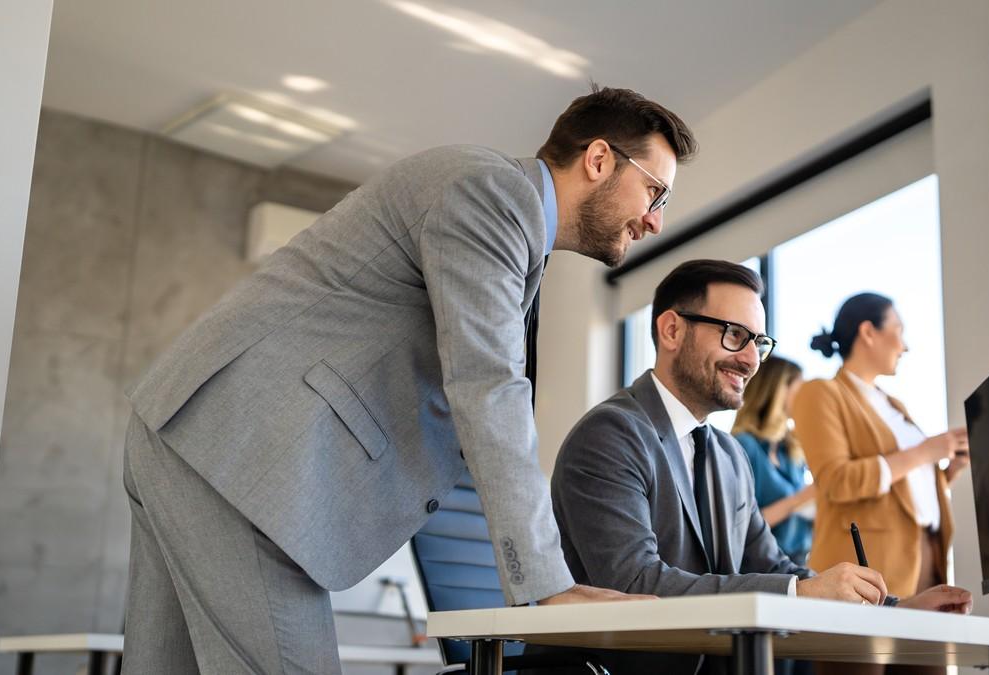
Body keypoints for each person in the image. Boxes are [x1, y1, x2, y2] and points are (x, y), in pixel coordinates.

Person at [119, 85, 696, 674]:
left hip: (196, 430)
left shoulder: (504, 215)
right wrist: (546, 585)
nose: (654, 220)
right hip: (237, 450)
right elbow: (488, 386)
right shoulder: (492, 193)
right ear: (599, 160)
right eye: (655, 191)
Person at [543, 262, 972, 675]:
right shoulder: (609, 435)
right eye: (734, 335)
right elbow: (634, 582)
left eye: (759, 343)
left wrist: (894, 607)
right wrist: (801, 593)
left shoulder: (730, 456)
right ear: (671, 330)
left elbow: (774, 568)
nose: (751, 360)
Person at [792, 292, 971, 675]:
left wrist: (944, 474)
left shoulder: (894, 406)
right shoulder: (821, 393)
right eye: (899, 330)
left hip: (926, 568)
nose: (905, 345)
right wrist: (925, 451)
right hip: (864, 573)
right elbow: (837, 480)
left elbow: (900, 490)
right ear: (868, 332)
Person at [732, 356, 815, 564]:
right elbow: (738, 525)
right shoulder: (744, 446)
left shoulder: (791, 451)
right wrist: (799, 500)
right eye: (800, 389)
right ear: (778, 390)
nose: (806, 397)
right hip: (760, 571)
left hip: (797, 564)